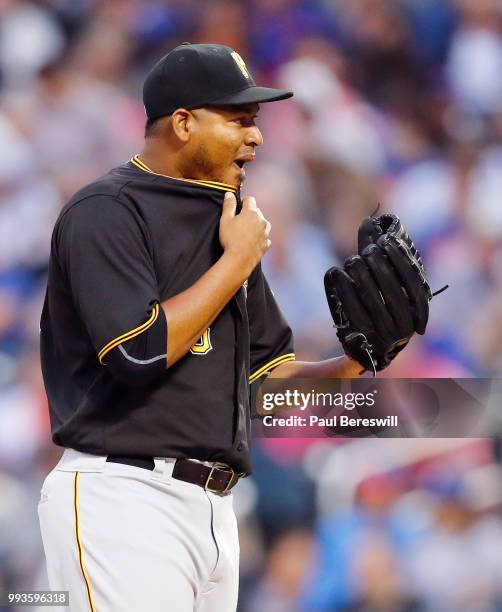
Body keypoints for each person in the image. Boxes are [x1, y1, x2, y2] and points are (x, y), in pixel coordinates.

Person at [38, 43, 362, 612]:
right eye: (238, 120)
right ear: (183, 123)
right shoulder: (106, 210)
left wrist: (357, 360)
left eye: (255, 122)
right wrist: (237, 260)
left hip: (215, 509)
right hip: (124, 496)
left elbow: (267, 386)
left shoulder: (228, 223)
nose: (256, 137)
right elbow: (138, 353)